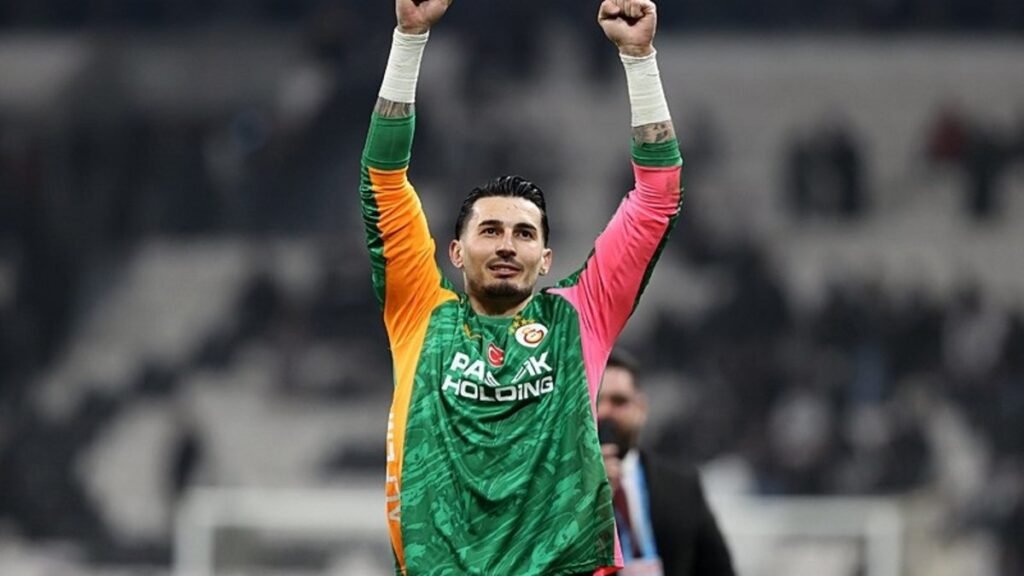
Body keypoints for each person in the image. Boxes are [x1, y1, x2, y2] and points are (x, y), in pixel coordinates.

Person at [359, 0, 682, 573]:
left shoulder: (579, 316)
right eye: (490, 231)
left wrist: (639, 60)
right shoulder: (421, 314)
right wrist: (408, 40)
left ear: (545, 258)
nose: (507, 245)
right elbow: (383, 179)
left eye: (524, 234)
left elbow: (657, 199)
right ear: (456, 252)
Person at [598, 351, 736, 576]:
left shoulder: (682, 487)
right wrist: (587, 502)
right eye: (595, 400)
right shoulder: (556, 492)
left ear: (641, 408)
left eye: (619, 401)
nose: (604, 412)